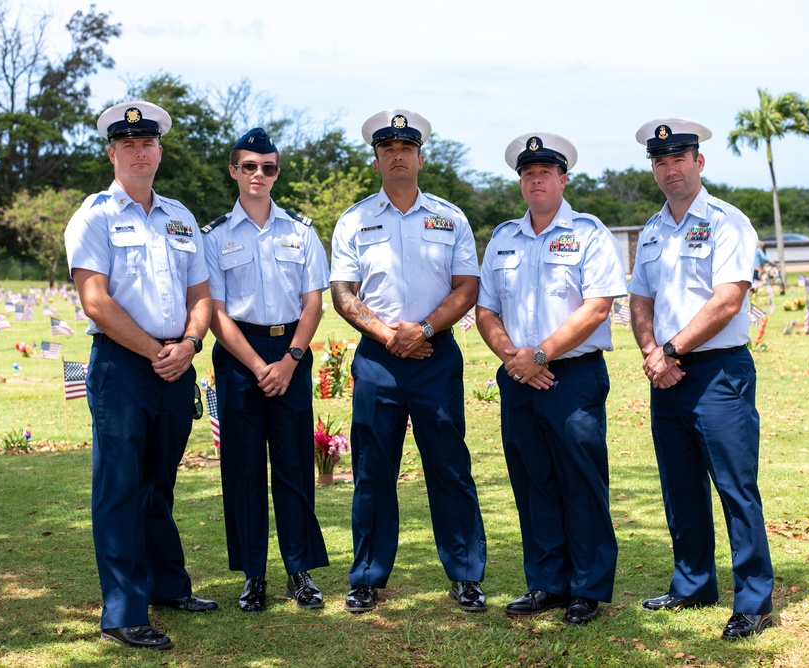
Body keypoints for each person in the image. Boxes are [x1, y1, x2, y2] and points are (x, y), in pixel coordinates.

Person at [64, 100, 217, 651]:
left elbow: (201, 295)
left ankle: (168, 587)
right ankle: (123, 612)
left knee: (160, 482)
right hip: (124, 368)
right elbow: (95, 301)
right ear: (112, 152)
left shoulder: (180, 217)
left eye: (147, 143)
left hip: (177, 364)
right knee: (120, 488)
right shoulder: (95, 216)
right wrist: (158, 350)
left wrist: (191, 344)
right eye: (127, 144)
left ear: (159, 150)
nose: (138, 152)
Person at [330, 109, 487, 614]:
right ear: (376, 159)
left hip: (435, 355)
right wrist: (388, 335)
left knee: (449, 466)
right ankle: (367, 577)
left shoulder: (450, 217)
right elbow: (342, 293)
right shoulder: (354, 220)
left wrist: (421, 331)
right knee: (373, 469)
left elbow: (467, 287)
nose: (397, 156)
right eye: (387, 149)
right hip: (378, 358)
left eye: (406, 148)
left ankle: (465, 575)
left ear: (420, 157)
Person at [627, 118, 774, 641]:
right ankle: (693, 583)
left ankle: (754, 598)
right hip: (665, 376)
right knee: (680, 486)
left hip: (717, 373)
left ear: (699, 163)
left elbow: (727, 300)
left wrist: (669, 350)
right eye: (660, 162)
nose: (669, 169)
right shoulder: (652, 228)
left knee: (735, 487)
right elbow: (639, 298)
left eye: (678, 159)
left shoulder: (728, 221)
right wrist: (651, 351)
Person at [476, 133, 624, 626]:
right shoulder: (502, 238)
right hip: (518, 377)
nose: (535, 180)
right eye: (527, 173)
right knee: (531, 479)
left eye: (545, 172)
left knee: (580, 481)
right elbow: (486, 309)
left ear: (563, 179)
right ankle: (546, 582)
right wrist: (515, 359)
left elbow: (598, 305)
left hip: (573, 377)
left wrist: (540, 354)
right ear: (521, 182)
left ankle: (587, 588)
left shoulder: (589, 232)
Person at [202, 128, 330, 613]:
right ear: (234, 170)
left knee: (295, 466)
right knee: (244, 469)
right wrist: (259, 366)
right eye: (250, 166)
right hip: (239, 358)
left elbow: (313, 302)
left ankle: (299, 571)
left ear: (277, 172)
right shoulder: (213, 235)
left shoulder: (301, 231)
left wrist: (291, 361)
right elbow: (215, 311)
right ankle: (253, 574)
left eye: (269, 167)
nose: (259, 175)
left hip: (291, 351)